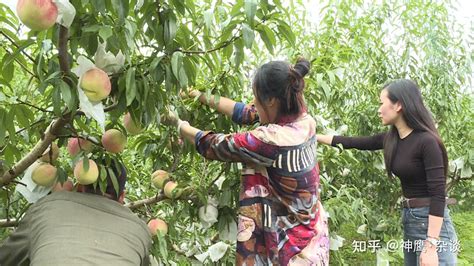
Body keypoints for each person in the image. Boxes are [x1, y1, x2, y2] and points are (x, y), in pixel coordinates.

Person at [173, 58, 329, 265]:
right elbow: (246, 112)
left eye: (256, 96)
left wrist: (177, 123)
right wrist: (198, 95)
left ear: (272, 100)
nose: (253, 102)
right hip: (311, 234)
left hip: (291, 253)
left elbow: (216, 144)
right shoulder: (302, 119)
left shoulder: (272, 140)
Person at [316, 79, 458, 265]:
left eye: (381, 103)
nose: (378, 109)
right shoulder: (392, 139)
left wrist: (431, 244)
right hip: (410, 219)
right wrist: (312, 136)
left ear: (398, 105)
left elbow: (438, 194)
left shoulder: (427, 142)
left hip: (432, 224)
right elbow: (353, 142)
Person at [0, 159, 152, 265]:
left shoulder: (47, 206)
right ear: (122, 197)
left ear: (79, 186)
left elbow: (6, 259)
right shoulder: (140, 229)